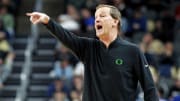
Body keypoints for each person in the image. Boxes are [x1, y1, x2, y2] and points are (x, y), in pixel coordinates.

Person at [27, 4, 159, 101]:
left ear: (115, 21)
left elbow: (149, 88)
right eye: (96, 17)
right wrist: (47, 21)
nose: (97, 20)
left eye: (102, 16)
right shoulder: (88, 48)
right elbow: (66, 37)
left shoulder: (132, 51)